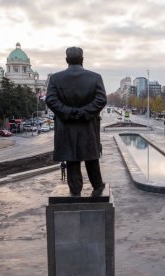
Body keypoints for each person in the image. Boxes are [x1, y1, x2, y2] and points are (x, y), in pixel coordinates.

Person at [46, 46, 107, 197]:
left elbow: (51, 100)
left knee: (71, 158)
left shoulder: (55, 78)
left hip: (66, 126)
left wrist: (69, 112)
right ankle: (98, 186)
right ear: (82, 60)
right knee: (91, 157)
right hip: (88, 124)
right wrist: (84, 112)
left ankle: (75, 190)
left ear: (67, 60)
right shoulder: (95, 77)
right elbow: (101, 100)